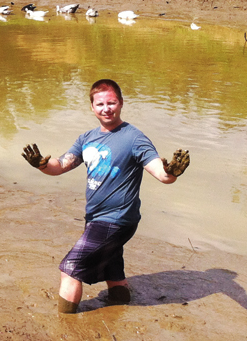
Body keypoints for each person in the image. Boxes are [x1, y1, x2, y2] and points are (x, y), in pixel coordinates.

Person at [21, 79, 189, 314]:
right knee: (112, 264)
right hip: (97, 218)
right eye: (100, 104)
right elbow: (60, 165)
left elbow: (160, 173)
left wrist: (171, 172)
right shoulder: (86, 138)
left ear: (121, 104)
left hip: (116, 219)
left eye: (111, 102)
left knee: (69, 268)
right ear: (92, 107)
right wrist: (40, 164)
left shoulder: (133, 137)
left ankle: (65, 323)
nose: (106, 108)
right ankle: (119, 304)